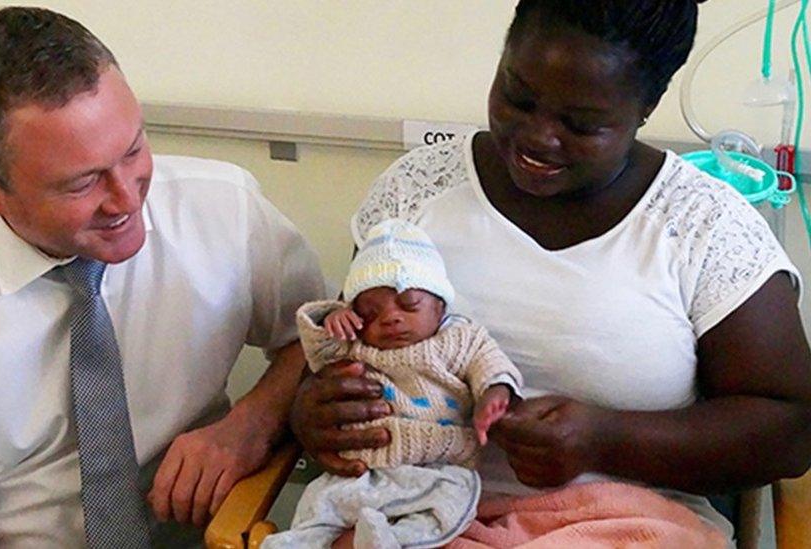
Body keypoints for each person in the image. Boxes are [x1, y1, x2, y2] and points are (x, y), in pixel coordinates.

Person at [289, 0, 811, 546]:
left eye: (580, 124)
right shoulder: (414, 194)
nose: (538, 137)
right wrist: (315, 414)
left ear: (645, 106)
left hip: (623, 522)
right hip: (414, 503)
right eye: (518, 97)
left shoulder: (706, 226)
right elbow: (343, 347)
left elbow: (790, 429)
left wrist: (606, 440)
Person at [0, 7, 324, 548]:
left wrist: (252, 423)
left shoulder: (223, 210)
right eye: (82, 183)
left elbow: (323, 338)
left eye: (134, 149)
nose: (127, 198)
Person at [263, 219, 523, 548]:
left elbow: (492, 364)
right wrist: (331, 319)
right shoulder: (358, 344)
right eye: (371, 312)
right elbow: (319, 355)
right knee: (321, 505)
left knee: (447, 508)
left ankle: (393, 540)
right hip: (363, 471)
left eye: (409, 305)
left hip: (439, 467)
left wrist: (495, 394)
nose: (389, 318)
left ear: (440, 305)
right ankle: (297, 542)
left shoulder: (459, 338)